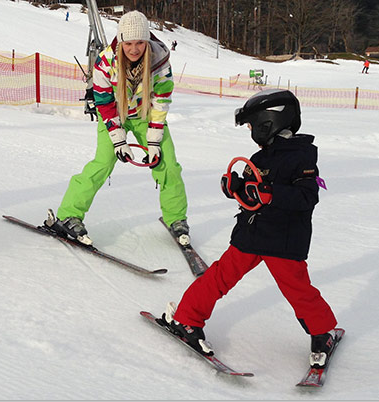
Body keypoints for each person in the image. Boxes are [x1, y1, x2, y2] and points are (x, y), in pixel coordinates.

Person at [155, 89, 339, 369]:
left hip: (284, 240)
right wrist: (236, 188)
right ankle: (185, 318)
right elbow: (253, 193)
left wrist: (270, 192)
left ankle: (322, 332)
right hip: (252, 235)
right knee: (217, 278)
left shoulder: (301, 156)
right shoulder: (262, 156)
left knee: (298, 290)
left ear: (270, 121)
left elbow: (306, 197)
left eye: (253, 126)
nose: (251, 132)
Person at [48, 10, 190, 246]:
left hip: (146, 115)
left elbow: (161, 101)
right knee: (102, 164)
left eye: (140, 43)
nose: (134, 49)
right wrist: (118, 140)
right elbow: (103, 103)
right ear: (121, 42)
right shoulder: (105, 63)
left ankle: (176, 218)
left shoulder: (160, 61)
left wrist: (153, 141)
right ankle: (68, 213)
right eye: (129, 43)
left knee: (168, 164)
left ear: (148, 41)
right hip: (115, 115)